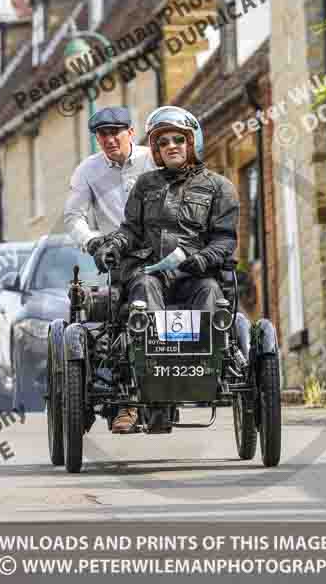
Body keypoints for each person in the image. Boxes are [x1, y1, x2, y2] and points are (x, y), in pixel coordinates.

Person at [96, 106, 241, 434]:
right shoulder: (146, 186)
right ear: (157, 151)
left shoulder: (219, 187)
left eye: (178, 139)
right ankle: (155, 379)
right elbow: (129, 230)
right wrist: (113, 246)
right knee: (142, 290)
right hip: (153, 274)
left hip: (197, 276)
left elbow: (224, 239)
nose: (171, 146)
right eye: (163, 142)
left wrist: (202, 260)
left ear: (192, 143)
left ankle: (203, 371)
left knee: (211, 292)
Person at [64, 106, 155, 257]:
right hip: (120, 257)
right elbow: (73, 216)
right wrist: (90, 240)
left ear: (130, 132)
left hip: (160, 250)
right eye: (102, 134)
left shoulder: (153, 159)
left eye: (114, 132)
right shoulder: (86, 171)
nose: (109, 140)